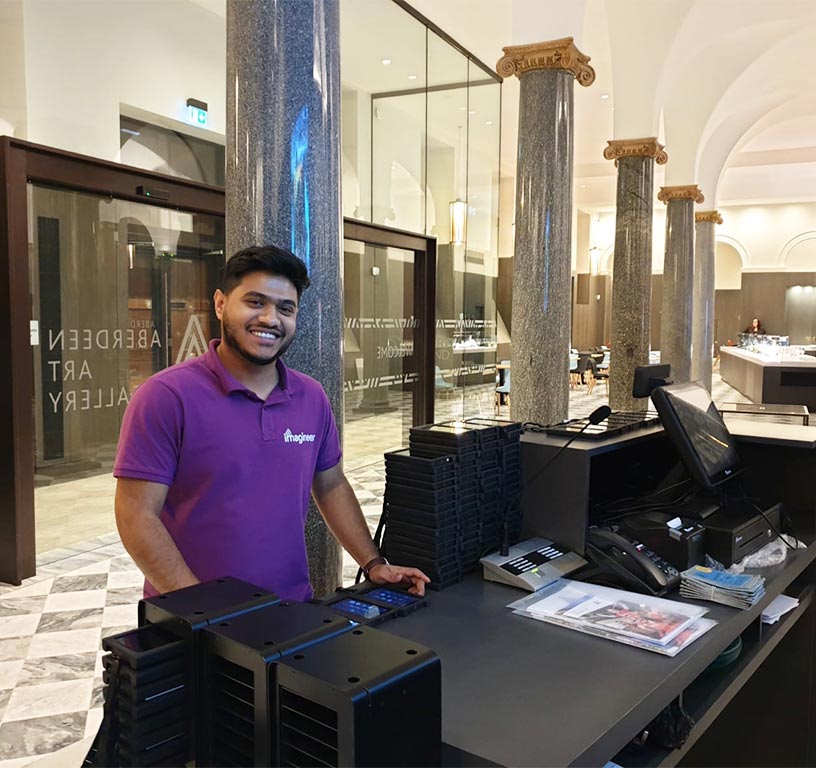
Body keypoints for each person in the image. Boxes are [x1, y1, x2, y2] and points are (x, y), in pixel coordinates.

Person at [114, 245, 429, 601]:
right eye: (255, 302)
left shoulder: (310, 396)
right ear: (220, 304)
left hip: (291, 609)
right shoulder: (166, 396)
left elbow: (331, 485)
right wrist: (200, 610)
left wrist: (373, 563)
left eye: (285, 308)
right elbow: (136, 516)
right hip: (191, 619)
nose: (270, 319)